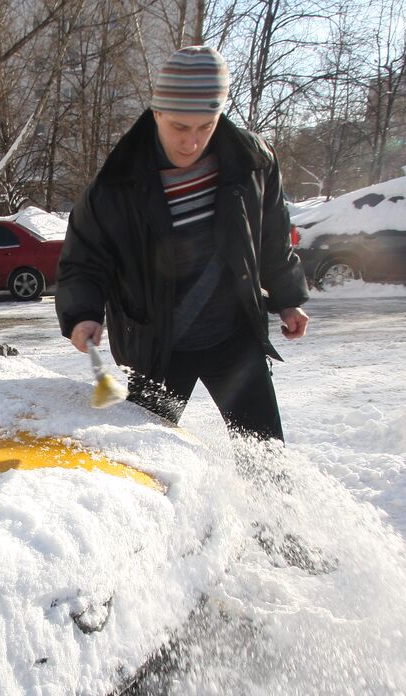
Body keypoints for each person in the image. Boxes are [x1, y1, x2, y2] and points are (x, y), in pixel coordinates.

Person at [57, 46, 309, 442]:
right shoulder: (116, 183)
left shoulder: (253, 161)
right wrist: (83, 313)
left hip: (234, 333)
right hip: (156, 347)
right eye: (179, 127)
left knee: (267, 458)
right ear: (156, 113)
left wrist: (287, 296)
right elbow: (84, 260)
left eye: (204, 126)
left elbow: (270, 235)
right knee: (145, 460)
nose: (191, 142)